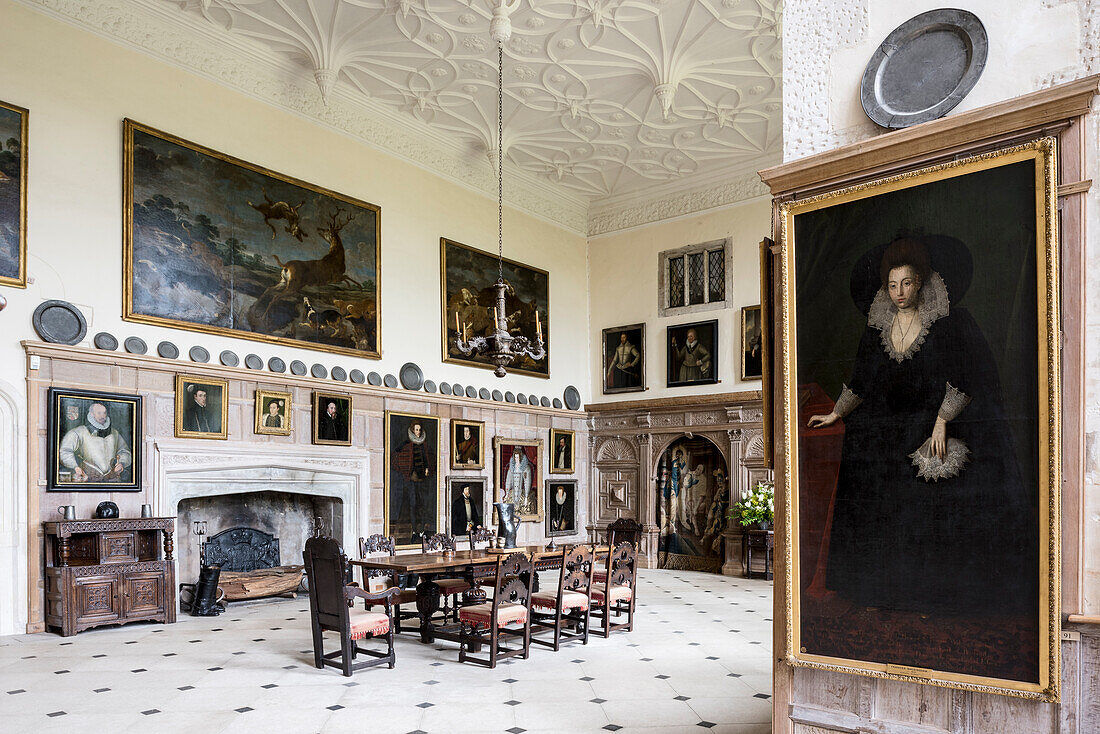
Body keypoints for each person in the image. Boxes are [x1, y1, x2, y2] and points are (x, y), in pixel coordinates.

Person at [807, 237, 1033, 615]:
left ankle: (932, 598)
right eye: (892, 285)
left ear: (921, 283)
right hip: (887, 430)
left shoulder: (948, 324)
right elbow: (862, 379)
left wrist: (942, 422)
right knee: (875, 491)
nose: (899, 293)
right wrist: (836, 413)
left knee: (933, 505)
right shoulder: (877, 327)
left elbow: (967, 376)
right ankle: (881, 594)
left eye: (907, 283)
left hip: (932, 423)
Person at [58, 402, 132, 483]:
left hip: (111, 479)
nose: (103, 416)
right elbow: (64, 451)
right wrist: (75, 466)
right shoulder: (79, 432)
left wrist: (122, 463)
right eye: (99, 413)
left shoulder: (114, 433)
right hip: (88, 479)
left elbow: (124, 451)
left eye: (104, 413)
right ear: (92, 414)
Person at [393, 421, 432, 535]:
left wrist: (426, 468)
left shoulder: (424, 444)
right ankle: (414, 529)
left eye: (420, 430)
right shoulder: (406, 444)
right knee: (413, 504)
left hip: (422, 479)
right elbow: (395, 456)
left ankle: (422, 530)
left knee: (423, 504)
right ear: (412, 430)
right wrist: (405, 470)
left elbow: (427, 459)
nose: (418, 432)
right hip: (411, 479)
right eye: (416, 430)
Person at [503, 447, 534, 515]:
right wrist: (507, 493)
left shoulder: (526, 468)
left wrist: (526, 497)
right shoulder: (512, 467)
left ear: (521, 457)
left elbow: (527, 482)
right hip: (513, 492)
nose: (516, 459)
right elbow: (508, 480)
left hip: (522, 492)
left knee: (525, 508)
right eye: (515, 458)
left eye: (518, 457)